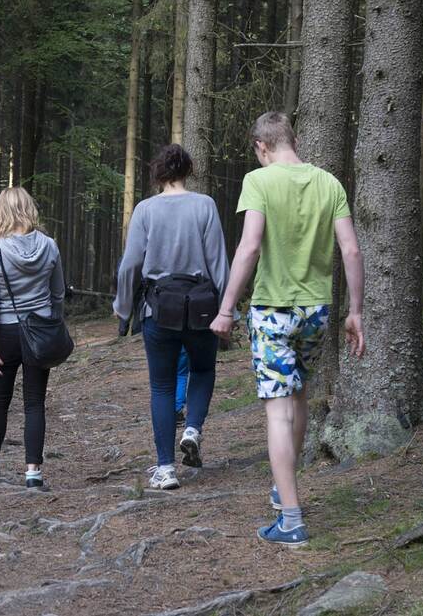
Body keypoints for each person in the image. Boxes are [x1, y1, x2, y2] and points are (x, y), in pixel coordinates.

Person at [210, 111, 365, 547]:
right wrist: (356, 310)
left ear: (262, 145)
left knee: (278, 409)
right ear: (290, 139)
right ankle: (284, 487)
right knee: (298, 395)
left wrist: (226, 308)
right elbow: (351, 249)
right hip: (316, 310)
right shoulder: (329, 183)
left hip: (273, 309)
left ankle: (291, 519)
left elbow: (250, 246)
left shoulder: (258, 182)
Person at [114, 144, 230, 490]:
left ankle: (165, 469)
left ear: (158, 174)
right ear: (187, 171)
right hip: (202, 308)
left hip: (158, 309)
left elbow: (131, 264)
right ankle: (192, 428)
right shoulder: (205, 205)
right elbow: (218, 263)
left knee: (162, 387)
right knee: (203, 369)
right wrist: (228, 310)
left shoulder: (146, 210)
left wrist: (122, 307)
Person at [0, 187, 65, 489]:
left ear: (1, 212)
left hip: (6, 333)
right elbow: (58, 294)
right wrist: (53, 323)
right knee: (35, 402)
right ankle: (33, 472)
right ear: (29, 209)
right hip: (39, 331)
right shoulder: (50, 246)